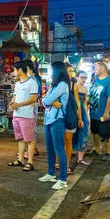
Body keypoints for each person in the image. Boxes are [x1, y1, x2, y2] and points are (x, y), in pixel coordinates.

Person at [39, 61, 70, 190]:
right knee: (50, 149)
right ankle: (51, 173)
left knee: (59, 150)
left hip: (58, 120)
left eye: (52, 69)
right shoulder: (54, 85)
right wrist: (50, 102)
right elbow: (44, 100)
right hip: (48, 119)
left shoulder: (62, 85)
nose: (50, 72)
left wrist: (49, 101)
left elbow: (47, 100)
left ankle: (63, 179)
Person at [7, 61, 39, 171]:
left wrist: (18, 105)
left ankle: (30, 162)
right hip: (17, 114)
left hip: (27, 115)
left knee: (29, 140)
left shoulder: (32, 83)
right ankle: (20, 159)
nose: (14, 72)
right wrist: (12, 104)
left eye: (15, 70)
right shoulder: (17, 84)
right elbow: (15, 97)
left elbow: (33, 99)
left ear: (20, 70)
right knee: (20, 139)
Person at [88, 61, 110, 161]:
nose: (94, 70)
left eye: (96, 68)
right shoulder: (95, 79)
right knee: (95, 131)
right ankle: (97, 149)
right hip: (94, 112)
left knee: (107, 132)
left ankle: (108, 152)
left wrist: (106, 112)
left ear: (103, 69)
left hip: (104, 113)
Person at [62, 64, 83, 175]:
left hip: (70, 117)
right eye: (69, 71)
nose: (71, 74)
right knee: (59, 140)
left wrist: (80, 118)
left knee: (68, 140)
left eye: (71, 71)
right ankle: (58, 161)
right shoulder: (55, 84)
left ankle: (67, 164)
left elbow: (77, 103)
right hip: (59, 117)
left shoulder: (73, 86)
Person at [74, 71, 91, 166]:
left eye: (85, 77)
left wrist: (87, 117)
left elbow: (84, 104)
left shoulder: (85, 89)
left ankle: (80, 158)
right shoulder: (73, 87)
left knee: (84, 133)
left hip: (82, 112)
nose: (84, 79)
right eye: (82, 77)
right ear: (76, 77)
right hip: (74, 112)